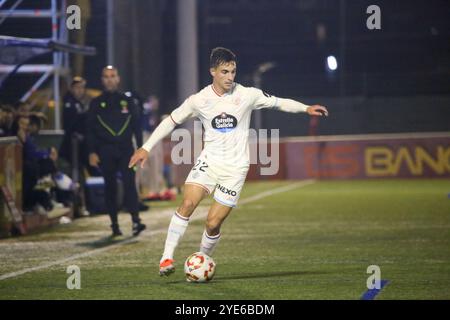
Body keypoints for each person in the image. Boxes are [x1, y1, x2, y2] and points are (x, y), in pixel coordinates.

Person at [128, 47, 329, 276]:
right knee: (187, 204)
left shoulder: (247, 95)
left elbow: (278, 102)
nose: (230, 77)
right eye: (225, 71)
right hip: (209, 162)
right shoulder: (199, 100)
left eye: (233, 71)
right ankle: (166, 258)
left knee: (213, 224)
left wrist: (306, 108)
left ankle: (202, 259)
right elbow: (171, 121)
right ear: (213, 71)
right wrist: (146, 147)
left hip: (235, 169)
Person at [86, 66, 146, 237]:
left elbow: (137, 127)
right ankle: (114, 224)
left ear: (118, 78)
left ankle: (136, 221)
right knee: (110, 186)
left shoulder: (128, 101)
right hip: (105, 150)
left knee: (129, 185)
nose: (109, 79)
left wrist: (141, 149)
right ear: (102, 80)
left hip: (126, 149)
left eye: (112, 76)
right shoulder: (96, 103)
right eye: (106, 76)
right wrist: (92, 152)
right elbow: (89, 130)